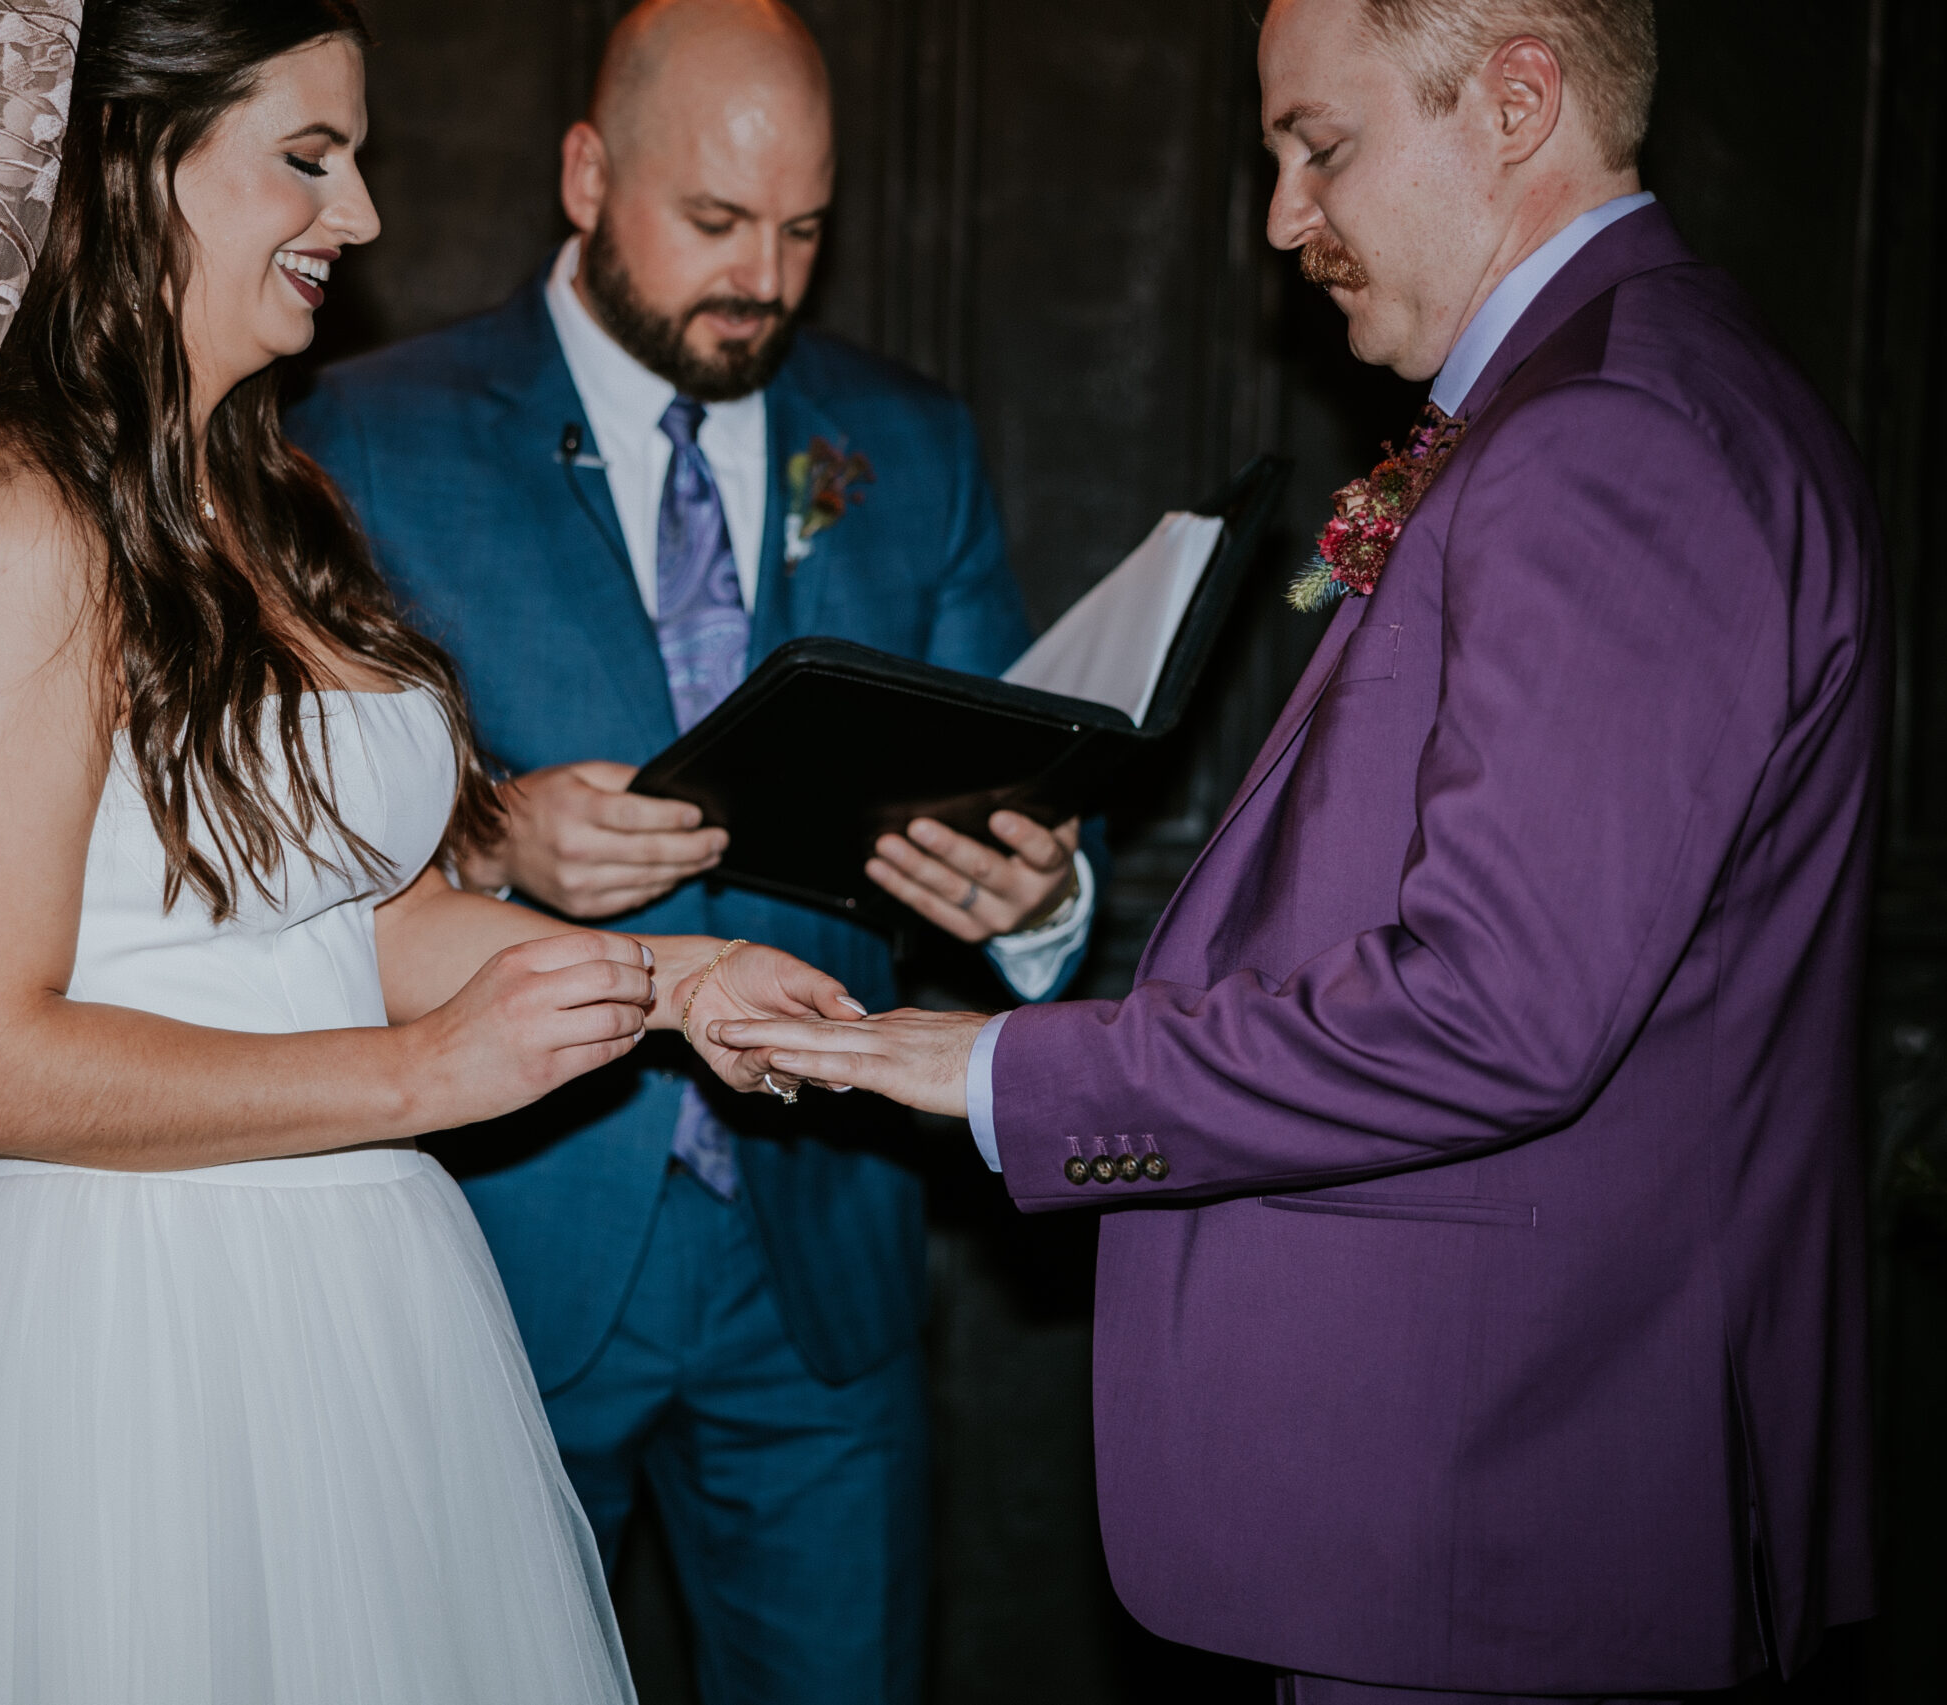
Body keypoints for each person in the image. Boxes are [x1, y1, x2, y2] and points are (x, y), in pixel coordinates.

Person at [717, 0, 1882, 1700]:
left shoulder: (1610, 443)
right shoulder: (1640, 391)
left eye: (1317, 147)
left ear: (1516, 100)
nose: (1279, 218)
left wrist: (994, 1072)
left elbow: (1496, 1010)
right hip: (1519, 1493)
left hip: (1504, 1506)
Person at [0, 6, 856, 1701]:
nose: (360, 216)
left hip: (365, 1300)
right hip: (122, 1340)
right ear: (132, 168)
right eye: (308, 158)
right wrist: (416, 1076)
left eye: (352, 158)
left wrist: (679, 981)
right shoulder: (19, 524)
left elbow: (346, 928)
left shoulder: (268, 500)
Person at [287, 3, 1096, 1698]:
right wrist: (496, 836)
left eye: (804, 230)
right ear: (586, 176)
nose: (768, 280)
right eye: (716, 224)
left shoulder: (913, 444)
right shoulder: (365, 435)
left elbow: (1011, 779)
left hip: (827, 1278)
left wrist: (1039, 902)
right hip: (505, 1246)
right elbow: (273, 843)